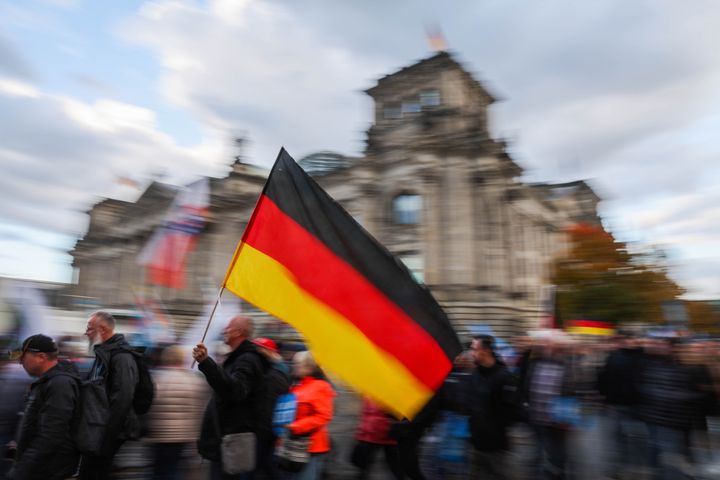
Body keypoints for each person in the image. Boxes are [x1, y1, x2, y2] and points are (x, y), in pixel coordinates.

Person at [192, 316, 269, 479]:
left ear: (239, 332)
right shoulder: (238, 358)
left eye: (229, 327)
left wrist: (206, 363)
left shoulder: (247, 359)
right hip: (225, 441)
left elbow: (236, 391)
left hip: (231, 442)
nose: (225, 331)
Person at [6, 334, 81, 480]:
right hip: (39, 468)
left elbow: (52, 435)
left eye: (23, 357)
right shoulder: (47, 381)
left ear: (41, 357)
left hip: (48, 471)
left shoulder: (60, 384)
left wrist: (21, 470)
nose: (21, 362)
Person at [79, 311, 140, 480]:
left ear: (103, 330)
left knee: (94, 473)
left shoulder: (121, 357)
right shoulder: (103, 354)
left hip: (106, 432)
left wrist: (107, 437)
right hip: (97, 429)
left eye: (90, 329)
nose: (86, 333)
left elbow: (123, 398)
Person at [144, 345, 210, 480]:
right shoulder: (195, 380)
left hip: (160, 435)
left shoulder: (157, 378)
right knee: (175, 469)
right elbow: (201, 409)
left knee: (160, 472)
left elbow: (148, 407)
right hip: (185, 436)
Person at [462, 335, 519, 480]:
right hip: (476, 443)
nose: (471, 353)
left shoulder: (505, 377)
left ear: (486, 351)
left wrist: (493, 428)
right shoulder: (474, 375)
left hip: (496, 446)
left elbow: (511, 411)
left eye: (474, 349)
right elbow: (468, 403)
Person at [283, 351, 335, 480]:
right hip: (294, 444)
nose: (294, 366)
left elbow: (324, 416)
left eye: (298, 364)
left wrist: (296, 426)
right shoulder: (297, 385)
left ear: (309, 367)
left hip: (312, 447)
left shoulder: (321, 387)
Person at [253, 338, 290, 479]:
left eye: (259, 352)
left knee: (267, 467)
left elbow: (270, 406)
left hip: (268, 430)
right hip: (273, 429)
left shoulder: (274, 374)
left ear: (268, 353)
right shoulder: (281, 369)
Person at [350, 397, 403, 480]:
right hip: (377, 432)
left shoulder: (375, 393)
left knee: (365, 465)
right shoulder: (371, 394)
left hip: (376, 432)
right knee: (394, 464)